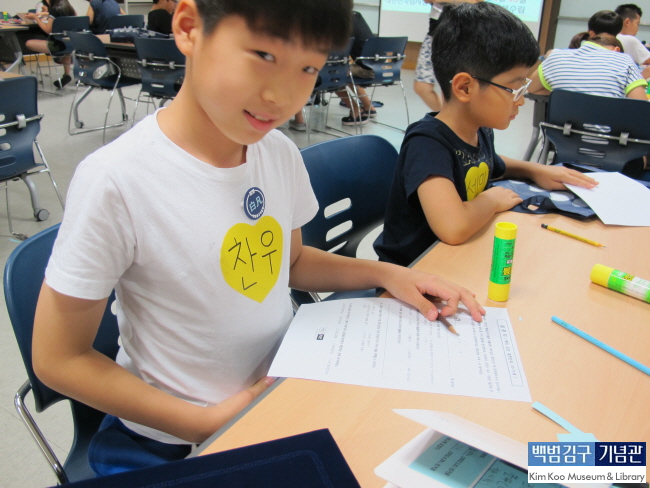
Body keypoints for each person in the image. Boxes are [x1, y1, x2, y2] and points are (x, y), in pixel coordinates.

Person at [32, 0, 484, 476]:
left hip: (276, 398)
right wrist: (202, 423)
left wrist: (389, 274)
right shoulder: (117, 180)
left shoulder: (276, 152)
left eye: (309, 68)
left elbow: (291, 263)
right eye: (263, 56)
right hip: (170, 439)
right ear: (189, 28)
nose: (282, 96)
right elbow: (58, 358)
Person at [374, 2, 598, 267]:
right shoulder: (427, 144)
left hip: (456, 258)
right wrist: (490, 201)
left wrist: (536, 170)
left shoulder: (478, 129)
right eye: (514, 89)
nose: (521, 101)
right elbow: (453, 227)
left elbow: (490, 163)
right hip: (414, 271)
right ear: (465, 88)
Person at [413, 0, 483, 113]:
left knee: (451, 90)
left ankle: (452, 120)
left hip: (459, 39)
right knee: (421, 87)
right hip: (434, 36)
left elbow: (475, 2)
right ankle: (447, 119)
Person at [529, 34, 647, 100]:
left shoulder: (555, 56)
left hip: (561, 134)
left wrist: (566, 93)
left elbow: (531, 88)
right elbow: (639, 106)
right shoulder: (624, 60)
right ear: (617, 50)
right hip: (610, 136)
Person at [25, 0, 76, 88]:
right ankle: (67, 74)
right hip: (71, 44)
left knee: (28, 43)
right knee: (64, 42)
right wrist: (47, 14)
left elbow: (48, 30)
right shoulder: (69, 8)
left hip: (57, 46)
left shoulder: (54, 9)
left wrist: (36, 18)